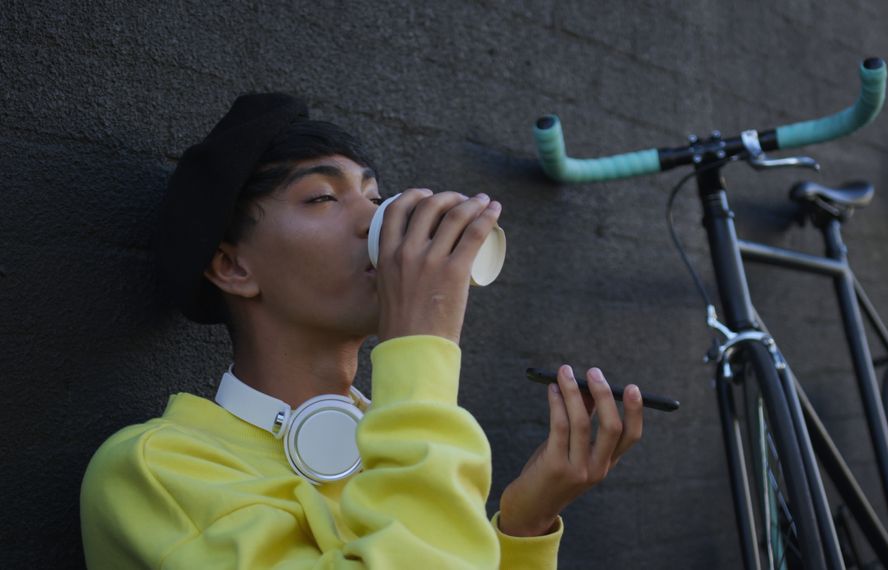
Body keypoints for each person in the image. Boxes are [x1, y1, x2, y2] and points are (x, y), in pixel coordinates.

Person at [80, 93, 644, 569]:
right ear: (233, 266)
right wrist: (422, 352)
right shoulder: (156, 471)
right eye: (323, 197)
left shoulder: (399, 438)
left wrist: (522, 526)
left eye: (375, 196)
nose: (377, 219)